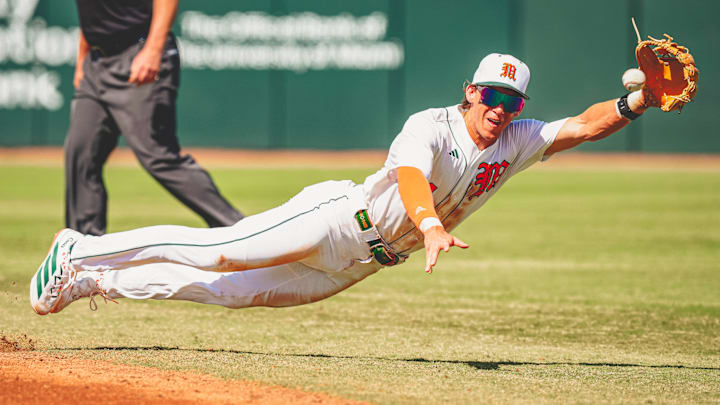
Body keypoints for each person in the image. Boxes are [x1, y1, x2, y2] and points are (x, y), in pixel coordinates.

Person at [31, 53, 656, 315]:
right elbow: (412, 177)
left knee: (224, 291)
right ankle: (79, 246)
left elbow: (580, 126)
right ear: (471, 92)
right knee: (220, 248)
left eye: (511, 101)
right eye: (492, 95)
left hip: (360, 263)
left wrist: (638, 103)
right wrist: (433, 226)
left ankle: (94, 280)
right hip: (337, 217)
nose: (501, 108)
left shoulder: (517, 139)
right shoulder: (430, 126)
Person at [65, 0, 243, 236]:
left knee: (159, 157)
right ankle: (83, 251)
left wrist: (153, 50)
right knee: (80, 153)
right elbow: (92, 13)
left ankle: (240, 231)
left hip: (137, 52)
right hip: (96, 63)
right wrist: (82, 58)